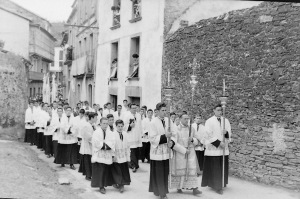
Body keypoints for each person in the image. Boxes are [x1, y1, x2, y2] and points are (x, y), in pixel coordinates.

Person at [168, 112, 202, 195]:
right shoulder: (176, 129)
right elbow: (173, 143)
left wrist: (193, 140)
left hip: (190, 152)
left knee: (192, 169)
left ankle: (194, 188)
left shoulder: (192, 129)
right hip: (180, 153)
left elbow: (199, 140)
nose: (187, 120)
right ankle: (179, 187)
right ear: (180, 119)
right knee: (180, 171)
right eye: (185, 119)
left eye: (188, 118)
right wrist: (183, 150)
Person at [201, 104, 232, 194]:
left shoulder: (226, 120)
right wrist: (218, 143)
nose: (220, 112)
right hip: (213, 148)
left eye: (221, 110)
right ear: (214, 110)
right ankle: (216, 186)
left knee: (222, 166)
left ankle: (222, 183)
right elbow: (208, 134)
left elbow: (229, 132)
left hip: (223, 149)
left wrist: (226, 133)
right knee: (215, 167)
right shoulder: (209, 121)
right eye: (218, 110)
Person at [148, 102, 173, 199]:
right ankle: (162, 193)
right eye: (162, 110)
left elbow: (174, 133)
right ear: (157, 111)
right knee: (158, 173)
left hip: (166, 152)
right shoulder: (153, 122)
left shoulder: (168, 120)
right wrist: (165, 136)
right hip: (157, 152)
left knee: (164, 172)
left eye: (165, 110)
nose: (164, 112)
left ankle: (160, 190)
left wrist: (172, 142)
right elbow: (152, 138)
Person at [91, 117, 115, 194]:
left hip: (107, 153)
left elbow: (112, 141)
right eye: (104, 123)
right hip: (99, 153)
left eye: (106, 124)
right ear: (100, 123)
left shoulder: (110, 132)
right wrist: (104, 145)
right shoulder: (96, 132)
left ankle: (104, 184)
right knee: (100, 170)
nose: (105, 125)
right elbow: (95, 142)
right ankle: (101, 186)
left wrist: (106, 145)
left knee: (105, 170)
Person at [111, 119, 131, 193]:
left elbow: (128, 145)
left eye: (121, 126)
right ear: (115, 126)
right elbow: (112, 146)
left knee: (123, 170)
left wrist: (128, 156)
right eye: (118, 126)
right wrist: (113, 155)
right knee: (117, 171)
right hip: (116, 155)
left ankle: (122, 184)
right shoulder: (113, 134)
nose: (120, 128)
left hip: (124, 156)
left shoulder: (125, 134)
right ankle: (118, 184)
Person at [124, 103, 142, 172]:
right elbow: (124, 125)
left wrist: (141, 133)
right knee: (132, 151)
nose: (134, 109)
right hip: (130, 135)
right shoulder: (127, 115)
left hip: (137, 136)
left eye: (135, 108)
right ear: (130, 108)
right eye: (133, 108)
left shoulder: (138, 115)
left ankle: (136, 164)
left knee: (137, 150)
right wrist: (129, 126)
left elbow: (140, 125)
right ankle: (133, 165)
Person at [79, 112, 97, 181]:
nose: (96, 119)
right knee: (87, 160)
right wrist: (95, 140)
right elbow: (87, 136)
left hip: (90, 145)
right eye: (95, 118)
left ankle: (89, 175)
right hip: (87, 145)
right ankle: (88, 175)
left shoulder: (92, 125)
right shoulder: (86, 125)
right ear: (92, 118)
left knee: (89, 160)